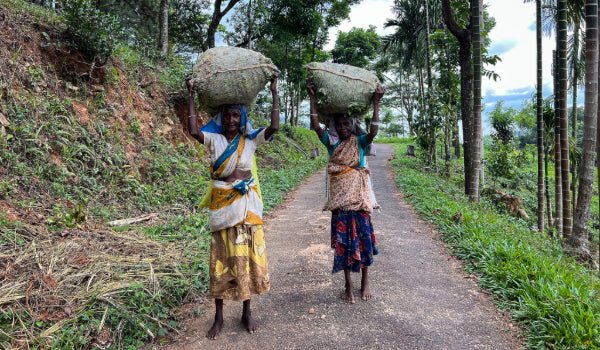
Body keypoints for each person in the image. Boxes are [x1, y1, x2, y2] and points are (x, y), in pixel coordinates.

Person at [186, 77, 279, 339]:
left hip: (247, 206)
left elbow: (274, 126)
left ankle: (246, 311)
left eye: (235, 115)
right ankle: (219, 317)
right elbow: (193, 130)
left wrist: (274, 92)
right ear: (220, 117)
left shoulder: (251, 140)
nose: (230, 120)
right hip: (223, 206)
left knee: (246, 258)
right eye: (226, 115)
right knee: (221, 259)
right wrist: (191, 95)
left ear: (242, 118)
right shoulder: (214, 140)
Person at [307, 80, 384, 304]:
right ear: (334, 127)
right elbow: (315, 126)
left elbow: (373, 131)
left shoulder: (359, 142)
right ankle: (348, 285)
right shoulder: (332, 145)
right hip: (341, 205)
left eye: (346, 124)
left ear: (352, 125)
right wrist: (312, 97)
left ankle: (365, 281)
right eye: (339, 125)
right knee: (344, 244)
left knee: (364, 242)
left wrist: (376, 103)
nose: (342, 128)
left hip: (359, 202)